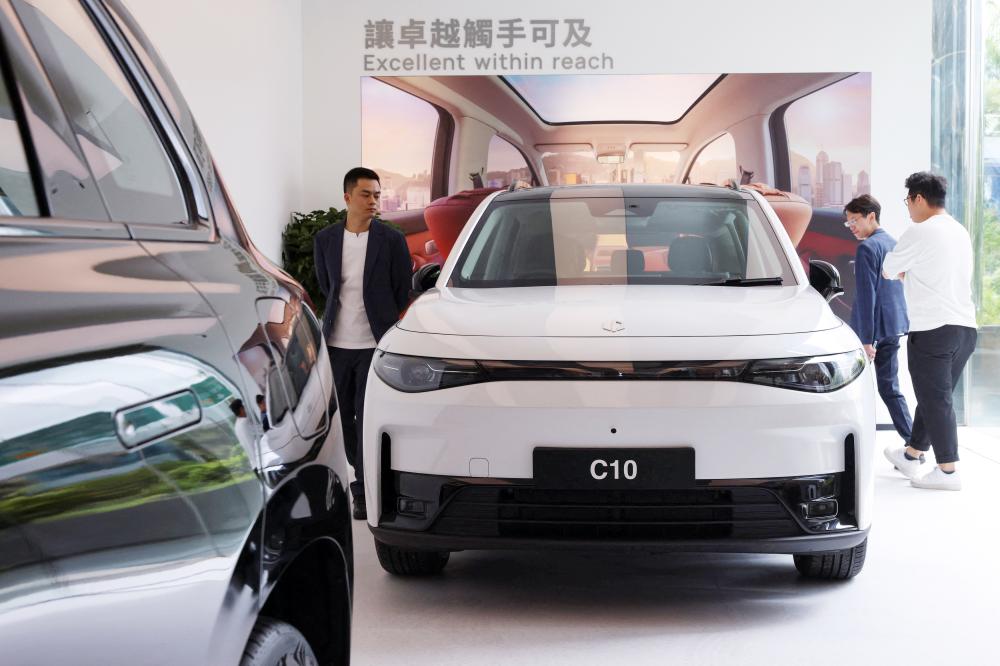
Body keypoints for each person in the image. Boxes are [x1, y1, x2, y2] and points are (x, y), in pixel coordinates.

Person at [314, 167, 411, 518]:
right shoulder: (325, 239)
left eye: (377, 195)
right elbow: (326, 287)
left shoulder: (391, 240)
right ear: (347, 197)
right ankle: (359, 477)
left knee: (368, 415)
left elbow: (402, 288)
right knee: (343, 421)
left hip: (375, 344)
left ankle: (363, 490)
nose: (373, 201)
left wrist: (384, 320)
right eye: (366, 194)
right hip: (337, 345)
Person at [882, 172, 978, 490]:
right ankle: (912, 455)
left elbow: (889, 269)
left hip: (933, 329)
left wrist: (907, 272)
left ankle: (948, 471)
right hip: (964, 328)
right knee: (934, 394)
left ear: (919, 198)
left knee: (936, 399)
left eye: (908, 201)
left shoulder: (920, 231)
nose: (908, 207)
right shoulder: (959, 231)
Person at [843, 195, 913, 448]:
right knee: (890, 387)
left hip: (874, 331)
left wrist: (866, 339)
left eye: (854, 220)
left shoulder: (867, 248)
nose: (851, 226)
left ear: (871, 216)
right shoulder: (893, 243)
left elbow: (866, 295)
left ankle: (860, 441)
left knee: (857, 388)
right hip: (893, 326)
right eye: (848, 222)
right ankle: (914, 442)